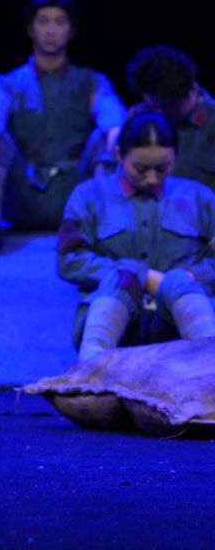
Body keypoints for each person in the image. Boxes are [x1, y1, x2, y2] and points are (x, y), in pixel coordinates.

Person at [0, 0, 126, 258]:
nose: (51, 30)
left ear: (71, 30)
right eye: (43, 21)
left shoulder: (90, 81)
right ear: (31, 29)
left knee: (111, 136)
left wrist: (115, 129)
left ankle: (107, 227)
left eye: (60, 22)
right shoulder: (10, 82)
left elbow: (108, 107)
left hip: (75, 195)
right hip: (25, 193)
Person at [58, 109, 215, 361]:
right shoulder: (88, 195)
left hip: (180, 324)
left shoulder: (200, 197)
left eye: (162, 168)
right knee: (126, 276)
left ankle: (209, 364)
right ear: (120, 155)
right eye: (141, 169)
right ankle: (90, 367)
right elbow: (69, 259)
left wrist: (191, 276)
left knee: (179, 282)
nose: (152, 178)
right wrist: (140, 275)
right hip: (115, 321)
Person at [125, 45, 215, 192]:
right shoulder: (137, 118)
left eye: (168, 107)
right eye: (152, 106)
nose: (159, 115)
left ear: (193, 90)